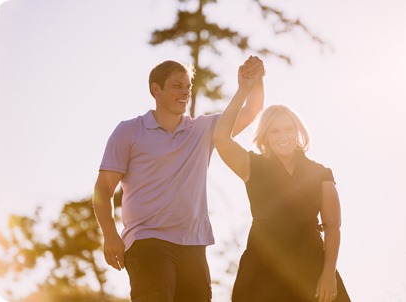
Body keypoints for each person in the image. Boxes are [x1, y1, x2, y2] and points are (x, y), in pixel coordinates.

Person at [92, 57, 265, 302]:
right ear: (156, 89)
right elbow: (103, 189)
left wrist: (253, 82)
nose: (185, 92)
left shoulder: (203, 130)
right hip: (147, 241)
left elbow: (250, 112)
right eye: (177, 86)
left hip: (194, 245)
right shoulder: (129, 131)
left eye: (188, 87)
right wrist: (109, 234)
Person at [213, 69, 351, 301]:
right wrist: (244, 90)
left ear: (298, 132)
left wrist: (328, 274)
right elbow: (221, 138)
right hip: (262, 268)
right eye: (274, 131)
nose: (282, 136)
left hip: (311, 265)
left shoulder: (321, 173)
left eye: (288, 129)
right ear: (265, 137)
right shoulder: (252, 166)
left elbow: (333, 226)